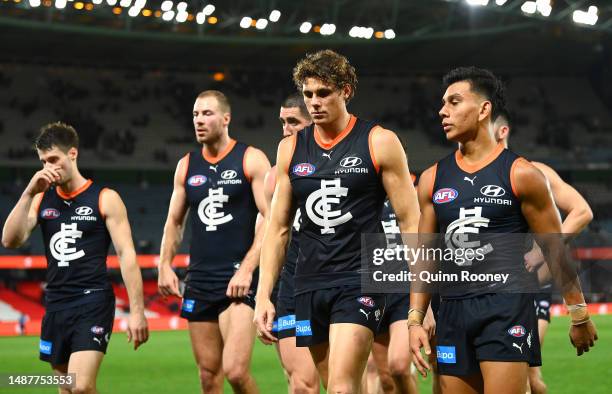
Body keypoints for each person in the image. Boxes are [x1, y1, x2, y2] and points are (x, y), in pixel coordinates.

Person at [409, 67, 598, 394]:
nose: (442, 111)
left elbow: (554, 249)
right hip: (451, 312)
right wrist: (415, 318)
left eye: (454, 102)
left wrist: (578, 313)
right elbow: (425, 256)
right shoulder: (431, 178)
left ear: (484, 111)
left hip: (506, 308)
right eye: (443, 103)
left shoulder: (522, 174)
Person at [255, 49, 420, 393]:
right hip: (309, 282)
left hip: (360, 280)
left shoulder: (379, 142)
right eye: (309, 94)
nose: (314, 103)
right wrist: (263, 294)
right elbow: (278, 228)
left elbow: (410, 221)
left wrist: (422, 298)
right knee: (337, 387)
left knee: (342, 389)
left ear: (346, 91)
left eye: (323, 93)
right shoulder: (290, 149)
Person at [2, 122, 149, 393]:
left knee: (81, 386)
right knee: (67, 388)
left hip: (92, 300)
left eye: (54, 159)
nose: (49, 166)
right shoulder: (41, 199)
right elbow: (10, 240)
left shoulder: (105, 198)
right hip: (56, 304)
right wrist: (28, 192)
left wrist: (138, 313)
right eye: (44, 161)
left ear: (72, 153)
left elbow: (127, 255)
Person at [157, 90, 270, 394]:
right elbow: (174, 221)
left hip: (238, 281)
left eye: (207, 114)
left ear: (226, 118)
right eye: (195, 114)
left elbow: (272, 220)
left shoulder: (251, 158)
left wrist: (247, 269)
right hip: (200, 280)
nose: (199, 120)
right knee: (209, 376)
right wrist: (164, 264)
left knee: (234, 371)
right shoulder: (186, 165)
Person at [494, 113, 594, 394]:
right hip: (487, 290)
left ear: (502, 131)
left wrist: (542, 251)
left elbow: (582, 211)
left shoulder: (534, 171)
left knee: (524, 372)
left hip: (529, 287)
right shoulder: (466, 176)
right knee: (527, 377)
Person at [256, 93, 319, 393]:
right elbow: (271, 233)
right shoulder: (273, 178)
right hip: (291, 284)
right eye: (282, 122)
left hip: (341, 280)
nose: (285, 129)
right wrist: (263, 295)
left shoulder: (349, 167)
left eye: (293, 122)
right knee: (301, 383)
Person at [370, 173, 419, 394]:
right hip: (373, 292)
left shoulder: (414, 200)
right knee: (387, 380)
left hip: (404, 291)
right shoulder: (365, 202)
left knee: (399, 367)